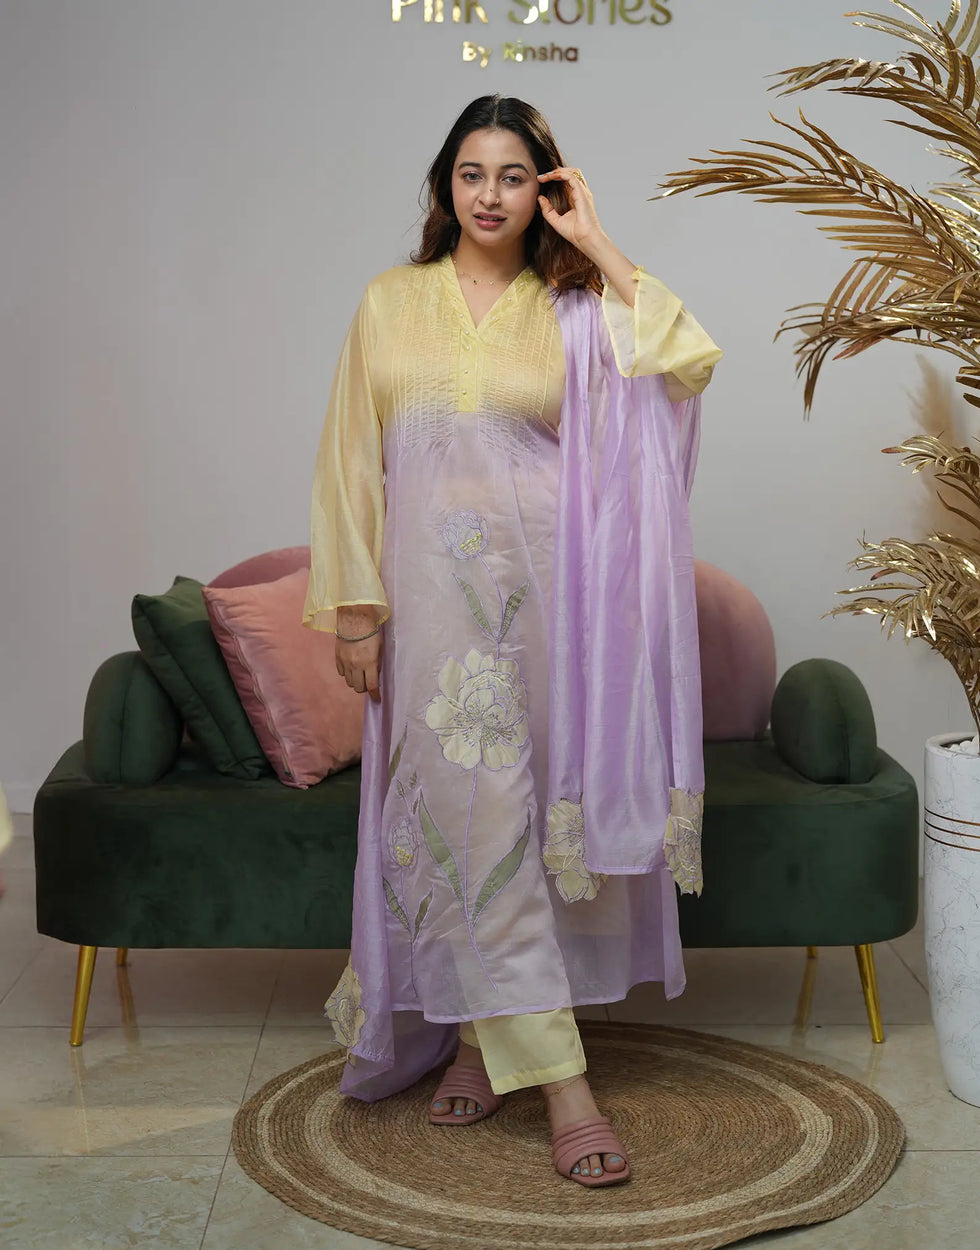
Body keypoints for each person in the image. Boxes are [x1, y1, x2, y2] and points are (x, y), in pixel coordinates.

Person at [304, 94, 721, 1187]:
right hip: (429, 615)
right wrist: (355, 608)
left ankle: (480, 1044)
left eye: (515, 176)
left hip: (551, 612)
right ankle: (566, 1084)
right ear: (444, 185)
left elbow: (688, 362)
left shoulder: (573, 309)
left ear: (546, 188)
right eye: (471, 173)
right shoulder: (390, 301)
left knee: (517, 831)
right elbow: (349, 459)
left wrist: (598, 242)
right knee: (469, 817)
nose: (490, 195)